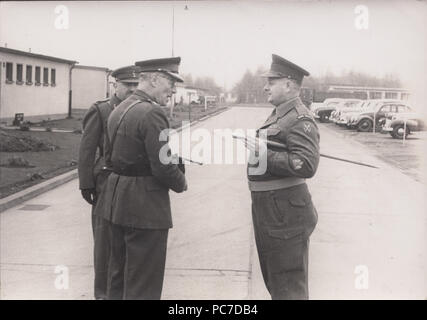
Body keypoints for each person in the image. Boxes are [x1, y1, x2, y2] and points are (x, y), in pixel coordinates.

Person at [93, 57, 187, 300]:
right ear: (154, 79)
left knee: (118, 276)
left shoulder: (120, 108)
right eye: (170, 81)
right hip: (144, 209)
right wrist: (181, 182)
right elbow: (163, 168)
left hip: (116, 202)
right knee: (144, 282)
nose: (173, 89)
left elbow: (110, 156)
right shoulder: (154, 114)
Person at [246, 54, 320, 300]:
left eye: (272, 81)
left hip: (285, 213)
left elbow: (307, 164)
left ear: (289, 84)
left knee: (288, 286)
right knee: (277, 283)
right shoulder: (280, 113)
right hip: (271, 209)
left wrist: (264, 155)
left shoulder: (300, 118)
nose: (266, 86)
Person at [77, 65, 140, 300]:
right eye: (128, 85)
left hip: (133, 187)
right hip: (106, 185)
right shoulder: (102, 110)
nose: (132, 90)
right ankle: (103, 295)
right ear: (115, 85)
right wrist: (86, 183)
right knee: (105, 246)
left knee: (129, 246)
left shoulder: (141, 109)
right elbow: (87, 149)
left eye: (136, 85)